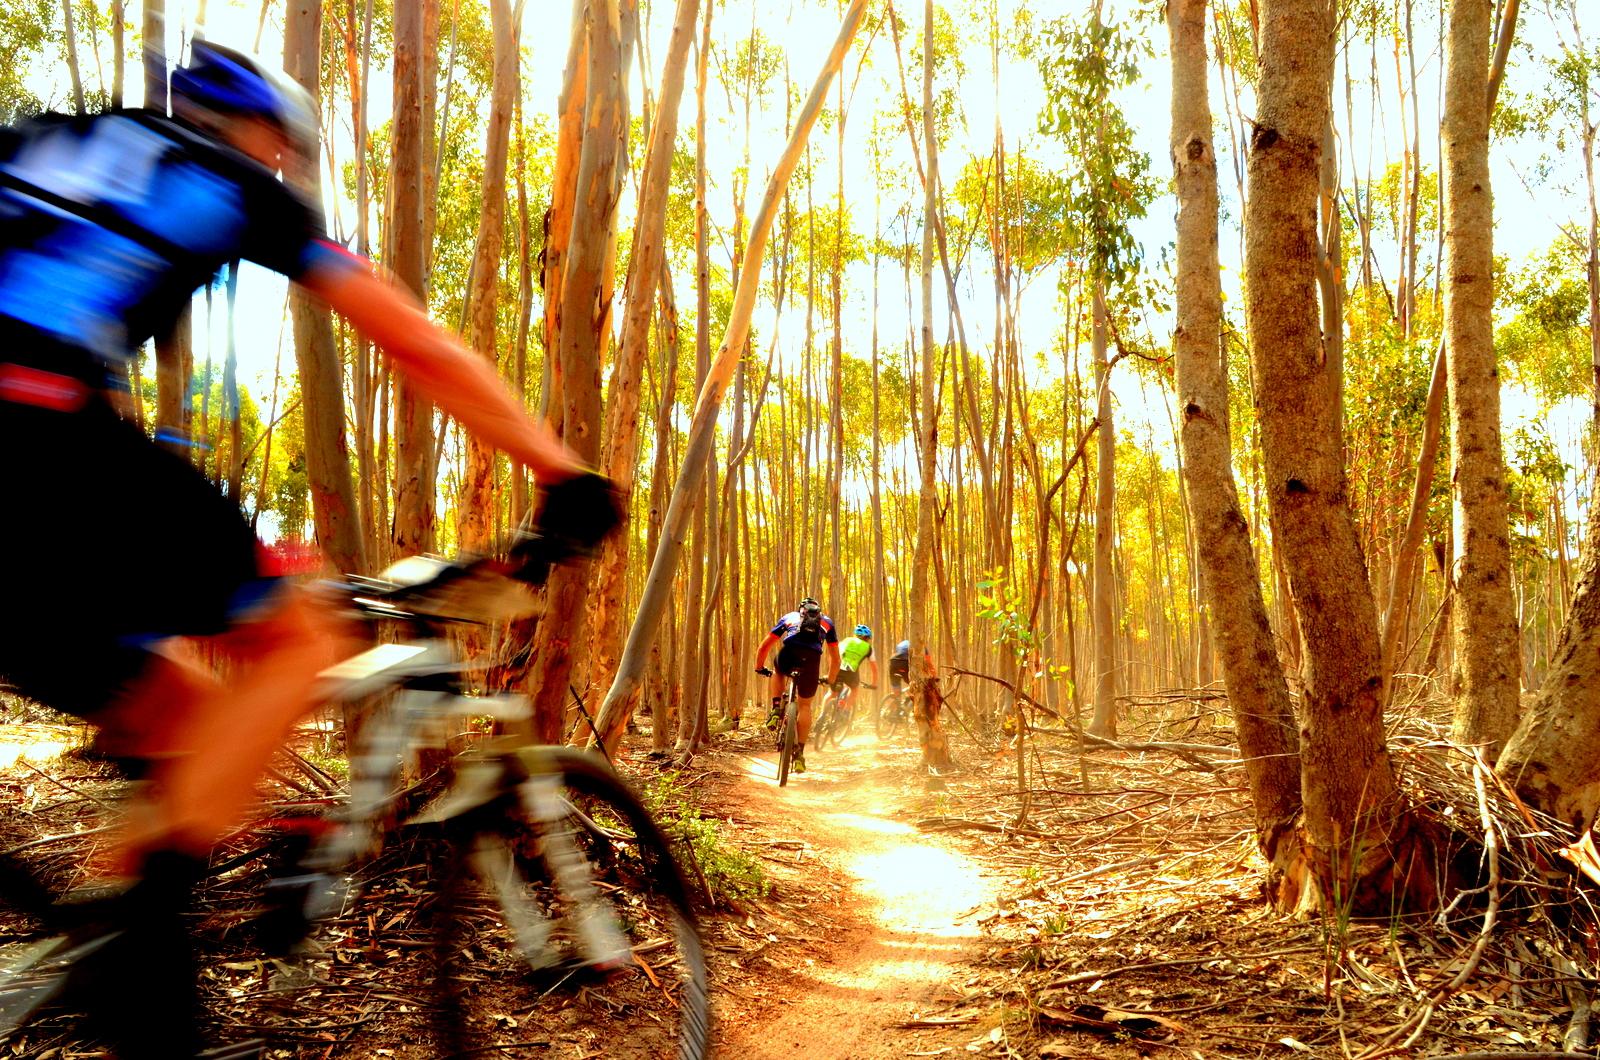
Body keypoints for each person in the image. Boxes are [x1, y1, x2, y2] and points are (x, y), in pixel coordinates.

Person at [0, 42, 619, 1055]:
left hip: (40, 477)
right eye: (283, 151)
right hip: (39, 427)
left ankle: (113, 958)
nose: (284, 171)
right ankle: (138, 946)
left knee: (185, 717)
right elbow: (413, 340)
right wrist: (560, 471)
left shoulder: (50, 144)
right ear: (255, 131)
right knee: (308, 635)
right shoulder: (223, 176)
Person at [752, 596, 840, 775]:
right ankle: (799, 752)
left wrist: (759, 667)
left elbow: (764, 646)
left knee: (778, 671)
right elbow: (835, 658)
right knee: (805, 706)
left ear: (801, 609)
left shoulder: (790, 617)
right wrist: (830, 679)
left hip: (789, 654)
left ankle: (776, 708)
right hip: (812, 660)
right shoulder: (827, 623)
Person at [819, 623, 877, 721]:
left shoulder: (846, 640)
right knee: (854, 689)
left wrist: (831, 671)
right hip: (851, 673)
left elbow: (834, 654)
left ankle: (821, 716)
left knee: (832, 693)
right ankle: (845, 712)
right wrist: (874, 684)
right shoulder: (869, 648)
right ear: (867, 638)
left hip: (837, 668)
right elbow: (874, 668)